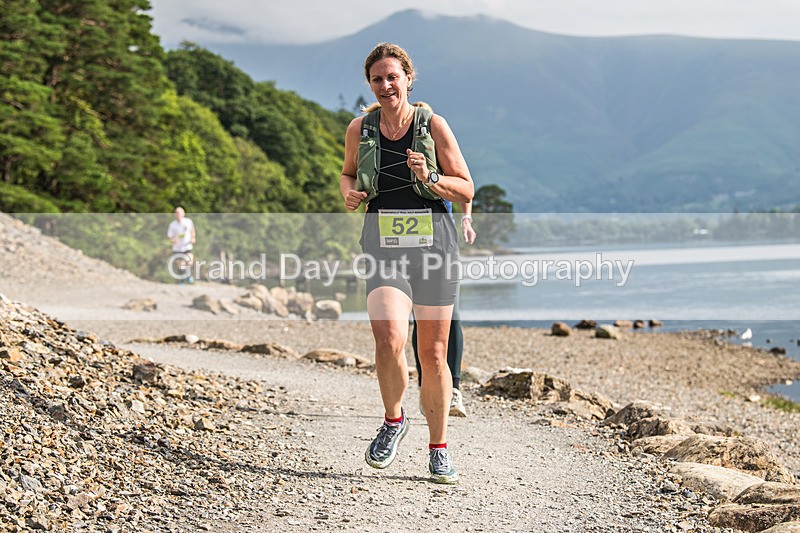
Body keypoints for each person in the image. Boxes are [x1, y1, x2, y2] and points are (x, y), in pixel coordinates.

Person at [340, 43, 474, 484]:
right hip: (383, 246)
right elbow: (347, 173)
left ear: (408, 79)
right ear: (370, 84)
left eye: (392, 77)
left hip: (434, 248)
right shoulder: (360, 129)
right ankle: (394, 420)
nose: (385, 85)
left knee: (433, 354)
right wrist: (349, 193)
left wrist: (431, 177)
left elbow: (466, 189)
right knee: (388, 337)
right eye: (377, 79)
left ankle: (439, 448)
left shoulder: (432, 125)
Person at [412, 201, 475, 417]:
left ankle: (454, 390)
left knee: (452, 317)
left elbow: (464, 186)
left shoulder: (443, 164)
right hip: (403, 244)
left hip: (441, 239)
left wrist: (466, 218)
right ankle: (425, 390)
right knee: (420, 320)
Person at [167, 207, 196, 284]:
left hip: (187, 246)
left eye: (179, 212)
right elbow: (170, 236)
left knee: (190, 261)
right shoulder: (172, 225)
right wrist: (173, 240)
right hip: (177, 248)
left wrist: (193, 238)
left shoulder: (188, 222)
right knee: (181, 265)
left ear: (183, 213)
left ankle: (189, 276)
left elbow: (192, 231)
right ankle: (181, 281)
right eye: (176, 212)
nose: (178, 214)